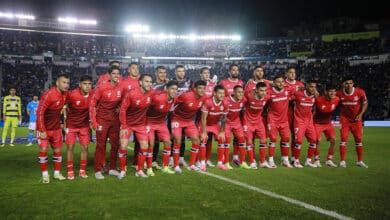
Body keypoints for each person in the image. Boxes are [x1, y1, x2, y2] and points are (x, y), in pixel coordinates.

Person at [90, 66, 123, 180]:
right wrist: (94, 122)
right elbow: (92, 104)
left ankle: (112, 168)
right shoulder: (102, 88)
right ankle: (97, 170)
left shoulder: (121, 88)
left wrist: (120, 107)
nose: (116, 76)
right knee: (100, 145)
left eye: (118, 74)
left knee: (115, 145)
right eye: (114, 74)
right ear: (109, 75)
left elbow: (125, 100)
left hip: (115, 120)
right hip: (102, 120)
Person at [118, 74, 154, 179]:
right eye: (147, 81)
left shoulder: (151, 93)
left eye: (150, 82)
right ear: (140, 82)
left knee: (144, 146)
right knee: (123, 146)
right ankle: (123, 170)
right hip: (128, 125)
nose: (149, 84)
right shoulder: (131, 94)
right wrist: (124, 126)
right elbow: (123, 109)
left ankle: (139, 170)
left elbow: (163, 94)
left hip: (140, 125)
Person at [36, 74, 70, 183]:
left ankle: (56, 173)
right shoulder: (48, 95)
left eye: (67, 83)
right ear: (57, 83)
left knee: (57, 151)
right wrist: (42, 130)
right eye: (63, 82)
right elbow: (40, 112)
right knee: (43, 150)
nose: (66, 85)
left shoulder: (65, 95)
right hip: (44, 129)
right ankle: (45, 174)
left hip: (56, 129)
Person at [171, 80, 206, 173]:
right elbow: (173, 102)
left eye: (204, 88)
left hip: (189, 121)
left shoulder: (204, 98)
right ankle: (175, 165)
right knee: (177, 140)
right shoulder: (186, 96)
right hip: (177, 119)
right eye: (200, 88)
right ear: (194, 89)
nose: (202, 90)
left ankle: (191, 165)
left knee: (196, 140)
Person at [65, 75, 93, 180]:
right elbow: (62, 106)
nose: (87, 86)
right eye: (85, 84)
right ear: (80, 85)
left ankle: (82, 171)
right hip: (71, 125)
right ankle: (70, 171)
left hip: (84, 126)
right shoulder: (72, 95)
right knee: (70, 148)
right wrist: (62, 122)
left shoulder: (93, 94)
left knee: (85, 148)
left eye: (89, 84)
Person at [147, 80, 178, 174]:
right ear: (166, 89)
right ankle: (149, 168)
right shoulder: (158, 99)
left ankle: (165, 167)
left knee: (168, 142)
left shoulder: (175, 99)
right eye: (172, 89)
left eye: (176, 89)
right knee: (151, 144)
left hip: (161, 123)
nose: (174, 91)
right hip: (149, 122)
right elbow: (145, 106)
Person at [337, 76, 368, 168]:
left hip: (356, 120)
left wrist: (361, 114)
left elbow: (365, 103)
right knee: (343, 139)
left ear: (353, 84)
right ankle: (342, 161)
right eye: (347, 83)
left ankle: (360, 161)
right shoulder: (339, 93)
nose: (349, 85)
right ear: (343, 84)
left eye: (351, 83)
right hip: (344, 120)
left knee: (358, 140)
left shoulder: (360, 92)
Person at [219, 64, 244, 166]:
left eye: (237, 70)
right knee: (226, 139)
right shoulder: (223, 82)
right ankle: (224, 158)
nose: (235, 72)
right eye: (233, 70)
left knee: (238, 138)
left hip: (237, 115)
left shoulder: (241, 83)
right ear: (229, 71)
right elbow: (220, 97)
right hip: (226, 116)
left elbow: (243, 96)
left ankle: (235, 157)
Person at [168, 65, 193, 167]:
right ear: (175, 72)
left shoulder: (189, 82)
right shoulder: (170, 81)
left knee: (182, 137)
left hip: (184, 113)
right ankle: (170, 158)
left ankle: (181, 158)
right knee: (172, 136)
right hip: (172, 111)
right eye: (179, 71)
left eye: (183, 71)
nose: (181, 73)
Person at [199, 85, 228, 171]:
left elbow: (224, 119)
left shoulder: (225, 103)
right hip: (205, 124)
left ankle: (219, 163)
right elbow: (203, 118)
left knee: (222, 138)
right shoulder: (208, 102)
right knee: (204, 139)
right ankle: (202, 163)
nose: (222, 95)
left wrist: (222, 131)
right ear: (214, 93)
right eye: (220, 93)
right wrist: (204, 132)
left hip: (215, 124)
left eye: (223, 93)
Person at [267, 75, 293, 168]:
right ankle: (270, 160)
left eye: (282, 81)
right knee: (273, 139)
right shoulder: (269, 92)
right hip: (272, 119)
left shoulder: (288, 90)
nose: (281, 83)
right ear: (273, 83)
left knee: (286, 139)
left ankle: (285, 160)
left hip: (284, 120)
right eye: (278, 82)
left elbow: (298, 87)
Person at [290, 80, 318, 168]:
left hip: (309, 121)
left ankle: (308, 161)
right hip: (299, 121)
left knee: (314, 140)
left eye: (314, 87)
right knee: (298, 141)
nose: (313, 89)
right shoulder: (298, 94)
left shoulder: (315, 96)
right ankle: (296, 160)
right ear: (306, 87)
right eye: (311, 87)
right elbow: (289, 97)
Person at [243, 82, 270, 169]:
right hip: (248, 122)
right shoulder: (249, 96)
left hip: (259, 121)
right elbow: (242, 93)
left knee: (263, 140)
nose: (264, 92)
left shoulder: (266, 97)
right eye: (261, 90)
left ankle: (262, 161)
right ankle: (252, 162)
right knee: (250, 142)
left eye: (265, 90)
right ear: (256, 90)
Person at [313, 84, 340, 167]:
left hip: (328, 123)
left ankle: (329, 160)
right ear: (326, 92)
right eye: (330, 91)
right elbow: (324, 111)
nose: (333, 93)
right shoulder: (319, 100)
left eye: (334, 91)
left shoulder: (337, 99)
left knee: (333, 140)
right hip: (317, 123)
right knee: (318, 141)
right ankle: (316, 160)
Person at [225, 85, 250, 169]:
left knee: (242, 140)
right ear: (234, 92)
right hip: (227, 123)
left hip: (237, 122)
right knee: (227, 141)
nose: (241, 94)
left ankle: (242, 162)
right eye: (239, 92)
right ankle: (226, 162)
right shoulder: (226, 100)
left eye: (242, 92)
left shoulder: (244, 100)